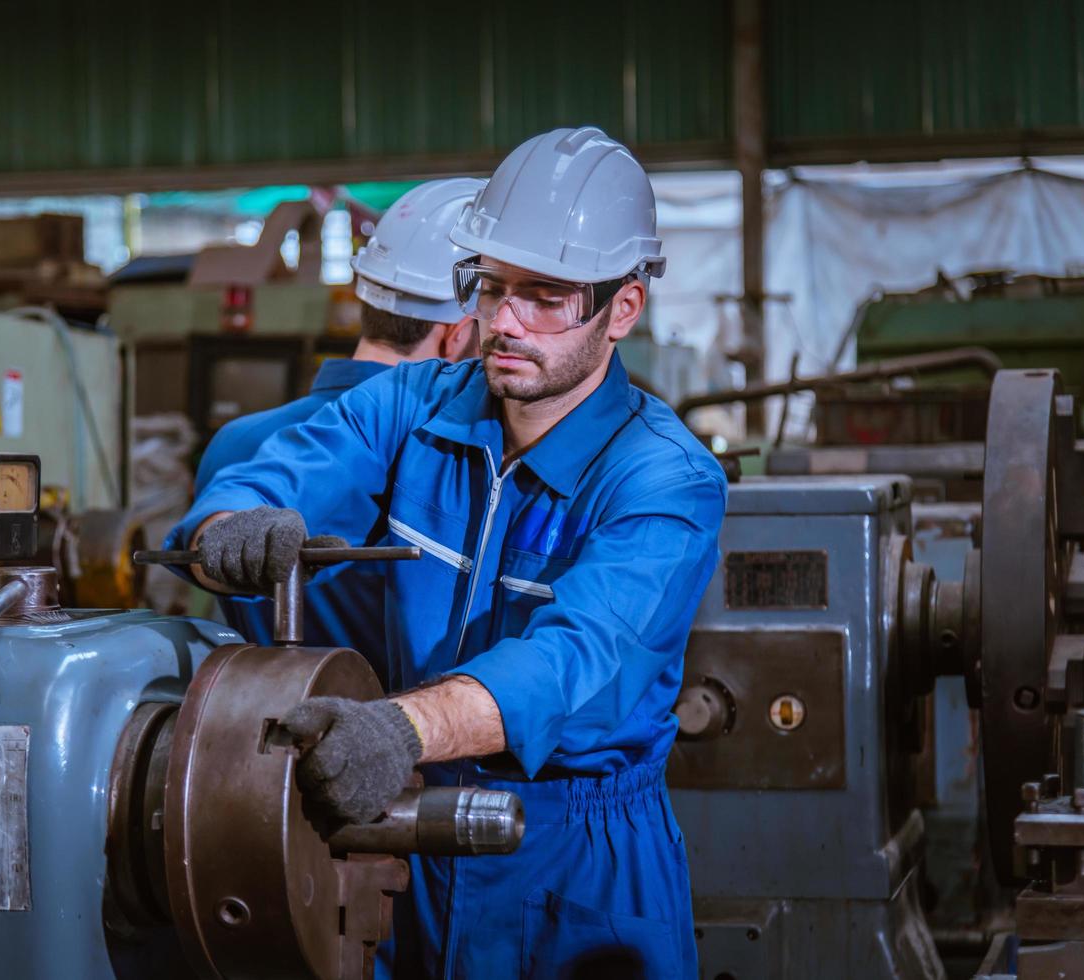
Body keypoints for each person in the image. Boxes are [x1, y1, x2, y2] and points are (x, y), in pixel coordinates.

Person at [170, 126, 725, 978]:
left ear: (623, 308)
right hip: (410, 842)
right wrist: (226, 529)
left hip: (575, 858)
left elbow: (574, 661)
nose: (503, 321)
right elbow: (280, 468)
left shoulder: (664, 479)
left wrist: (400, 726)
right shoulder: (417, 405)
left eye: (544, 295)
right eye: (491, 286)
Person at [193, 178, 484, 676]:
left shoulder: (233, 444)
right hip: (394, 738)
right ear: (456, 338)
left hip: (245, 729)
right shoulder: (443, 463)